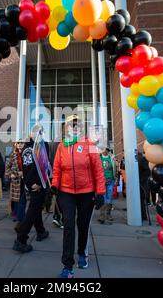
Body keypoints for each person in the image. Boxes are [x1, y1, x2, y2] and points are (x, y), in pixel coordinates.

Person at [51, 115, 106, 278]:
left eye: (77, 125)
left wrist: (100, 192)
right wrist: (55, 184)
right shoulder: (61, 147)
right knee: (68, 225)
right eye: (70, 125)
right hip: (66, 192)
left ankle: (82, 252)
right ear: (66, 128)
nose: (74, 127)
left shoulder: (89, 144)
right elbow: (57, 169)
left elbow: (98, 170)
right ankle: (67, 265)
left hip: (86, 193)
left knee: (82, 226)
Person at [13, 126, 50, 253]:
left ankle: (41, 231)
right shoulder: (41, 145)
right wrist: (39, 183)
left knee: (36, 208)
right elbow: (43, 165)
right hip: (38, 184)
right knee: (33, 210)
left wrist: (29, 184)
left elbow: (27, 168)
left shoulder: (25, 148)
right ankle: (21, 239)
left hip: (30, 183)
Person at [5, 140, 26, 232]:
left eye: (22, 143)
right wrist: (11, 174)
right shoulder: (12, 155)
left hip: (26, 181)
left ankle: (20, 218)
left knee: (23, 200)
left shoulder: (27, 154)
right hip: (16, 181)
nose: (20, 145)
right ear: (16, 145)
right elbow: (7, 168)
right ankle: (20, 218)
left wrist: (24, 173)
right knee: (18, 200)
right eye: (18, 143)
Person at [98, 147, 117, 224]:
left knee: (109, 198)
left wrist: (116, 179)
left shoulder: (112, 158)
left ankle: (108, 214)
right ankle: (102, 216)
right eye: (102, 149)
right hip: (101, 181)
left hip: (110, 180)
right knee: (103, 198)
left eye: (105, 149)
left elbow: (115, 169)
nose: (104, 150)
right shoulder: (98, 158)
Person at [138, 150, 150, 221]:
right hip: (140, 183)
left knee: (141, 200)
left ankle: (143, 216)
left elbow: (147, 171)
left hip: (142, 184)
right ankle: (142, 215)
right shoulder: (140, 160)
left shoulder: (142, 160)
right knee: (140, 201)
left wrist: (141, 179)